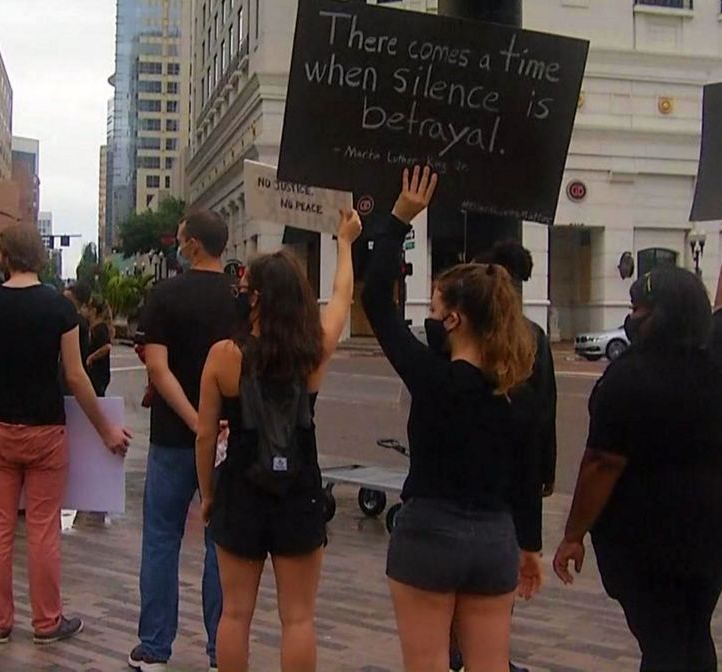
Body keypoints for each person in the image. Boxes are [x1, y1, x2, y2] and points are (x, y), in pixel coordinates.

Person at [552, 206, 722, 671]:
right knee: (693, 631)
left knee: (661, 641)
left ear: (657, 316)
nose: (631, 316)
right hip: (716, 527)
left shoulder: (629, 377)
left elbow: (602, 464)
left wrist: (573, 535)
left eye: (639, 308)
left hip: (645, 535)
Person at [365, 166, 544, 672]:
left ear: (455, 320)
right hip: (494, 537)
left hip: (429, 532)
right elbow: (526, 480)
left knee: (426, 663)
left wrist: (399, 219)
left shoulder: (433, 377)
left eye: (436, 307)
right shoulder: (519, 393)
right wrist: (528, 546)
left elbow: (377, 304)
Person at [194, 208, 361, 672]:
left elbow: (206, 434)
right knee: (299, 618)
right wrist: (345, 244)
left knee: (235, 614)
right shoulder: (313, 351)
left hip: (240, 491)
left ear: (257, 299)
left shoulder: (223, 356)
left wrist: (208, 493)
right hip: (299, 490)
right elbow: (342, 300)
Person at [0, 223, 131, 645]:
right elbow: (75, 375)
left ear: (1, 256)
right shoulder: (59, 308)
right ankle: (47, 621)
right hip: (45, 432)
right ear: (38, 256)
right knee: (42, 529)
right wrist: (106, 429)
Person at [129, 210, 236, 672]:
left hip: (175, 437)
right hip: (231, 440)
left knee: (161, 539)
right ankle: (220, 650)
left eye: (181, 238)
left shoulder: (165, 295)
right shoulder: (241, 299)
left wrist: (197, 423)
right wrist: (214, 426)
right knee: (221, 545)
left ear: (191, 245)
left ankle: (154, 647)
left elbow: (157, 368)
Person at [450, 240, 558, 672]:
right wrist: (544, 470)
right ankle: (490, 654)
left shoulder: (464, 330)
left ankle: (458, 649)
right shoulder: (532, 336)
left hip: (461, 470)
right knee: (500, 569)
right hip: (513, 472)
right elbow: (544, 411)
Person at [84, 298, 114, 397]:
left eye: (87, 307)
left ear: (94, 311)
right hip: (95, 374)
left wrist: (91, 357)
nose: (85, 310)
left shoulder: (100, 328)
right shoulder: (93, 327)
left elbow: (107, 346)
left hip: (98, 374)